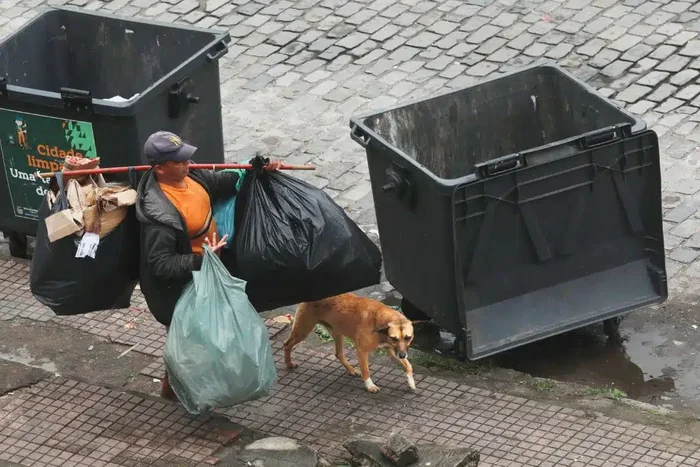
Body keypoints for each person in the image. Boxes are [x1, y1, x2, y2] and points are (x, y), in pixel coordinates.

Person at [135, 130, 282, 400]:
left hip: (210, 270)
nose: (187, 164)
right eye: (178, 162)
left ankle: (179, 388)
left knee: (205, 337)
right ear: (159, 168)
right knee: (191, 340)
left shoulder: (193, 177)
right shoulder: (159, 214)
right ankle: (178, 389)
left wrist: (259, 168)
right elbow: (160, 264)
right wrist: (203, 259)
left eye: (186, 159)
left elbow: (228, 182)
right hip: (179, 287)